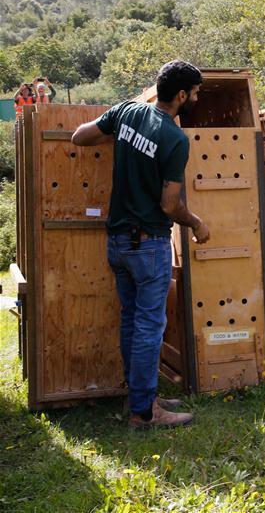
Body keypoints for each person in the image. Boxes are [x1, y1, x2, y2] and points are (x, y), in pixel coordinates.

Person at [72, 60, 210, 429]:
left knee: (132, 322)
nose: (196, 97)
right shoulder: (175, 139)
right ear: (182, 95)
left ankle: (140, 397)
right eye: (195, 92)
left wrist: (119, 135)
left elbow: (79, 137)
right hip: (149, 245)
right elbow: (170, 205)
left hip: (117, 242)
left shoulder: (126, 112)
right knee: (150, 326)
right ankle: (144, 414)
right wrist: (196, 223)